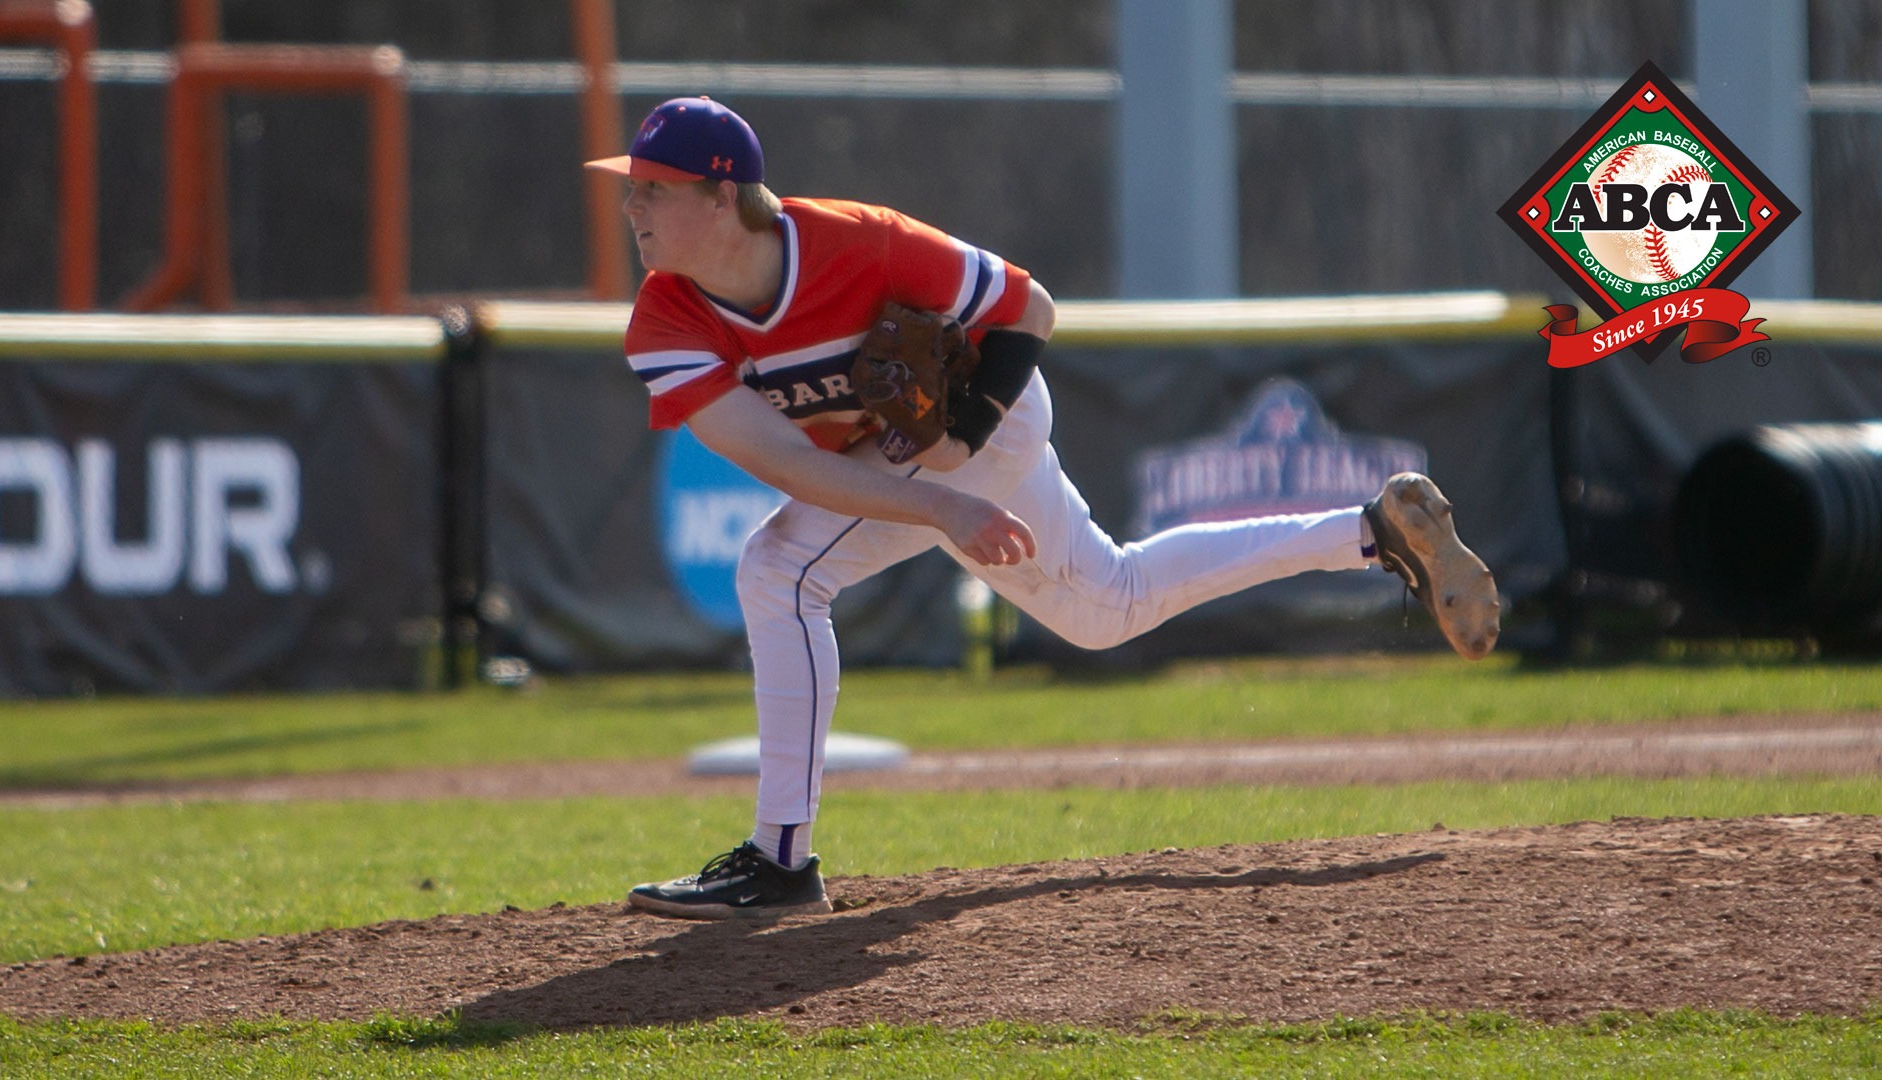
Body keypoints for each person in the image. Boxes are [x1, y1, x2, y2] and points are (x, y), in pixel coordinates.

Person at [588, 96, 1499, 921]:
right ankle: (1369, 532)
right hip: (907, 458)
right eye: (633, 188)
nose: (632, 206)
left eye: (653, 189)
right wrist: (943, 504)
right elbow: (785, 461)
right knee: (1108, 606)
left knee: (779, 569)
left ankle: (780, 861)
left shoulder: (859, 241)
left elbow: (1030, 308)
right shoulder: (666, 322)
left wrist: (964, 441)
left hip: (992, 417)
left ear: (723, 197)